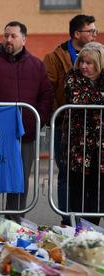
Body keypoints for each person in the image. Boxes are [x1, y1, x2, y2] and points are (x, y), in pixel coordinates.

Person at [0, 21, 54, 222]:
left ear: (24, 39)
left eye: (13, 36)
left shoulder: (36, 65)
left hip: (24, 135)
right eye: (6, 35)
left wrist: (35, 122)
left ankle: (14, 224)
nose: (8, 39)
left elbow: (46, 96)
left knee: (20, 182)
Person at [43, 14, 97, 225]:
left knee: (92, 175)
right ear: (77, 34)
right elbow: (48, 91)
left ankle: (90, 221)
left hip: (94, 129)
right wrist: (55, 117)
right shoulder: (55, 57)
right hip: (65, 126)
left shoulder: (99, 54)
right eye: (90, 31)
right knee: (67, 174)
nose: (95, 34)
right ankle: (67, 220)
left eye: (95, 30)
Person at [62, 42, 104, 224]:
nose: (84, 66)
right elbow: (78, 98)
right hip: (78, 145)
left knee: (99, 189)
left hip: (100, 146)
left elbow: (88, 97)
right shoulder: (72, 76)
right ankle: (76, 227)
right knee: (77, 188)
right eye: (82, 62)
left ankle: (92, 230)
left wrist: (94, 96)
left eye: (89, 63)